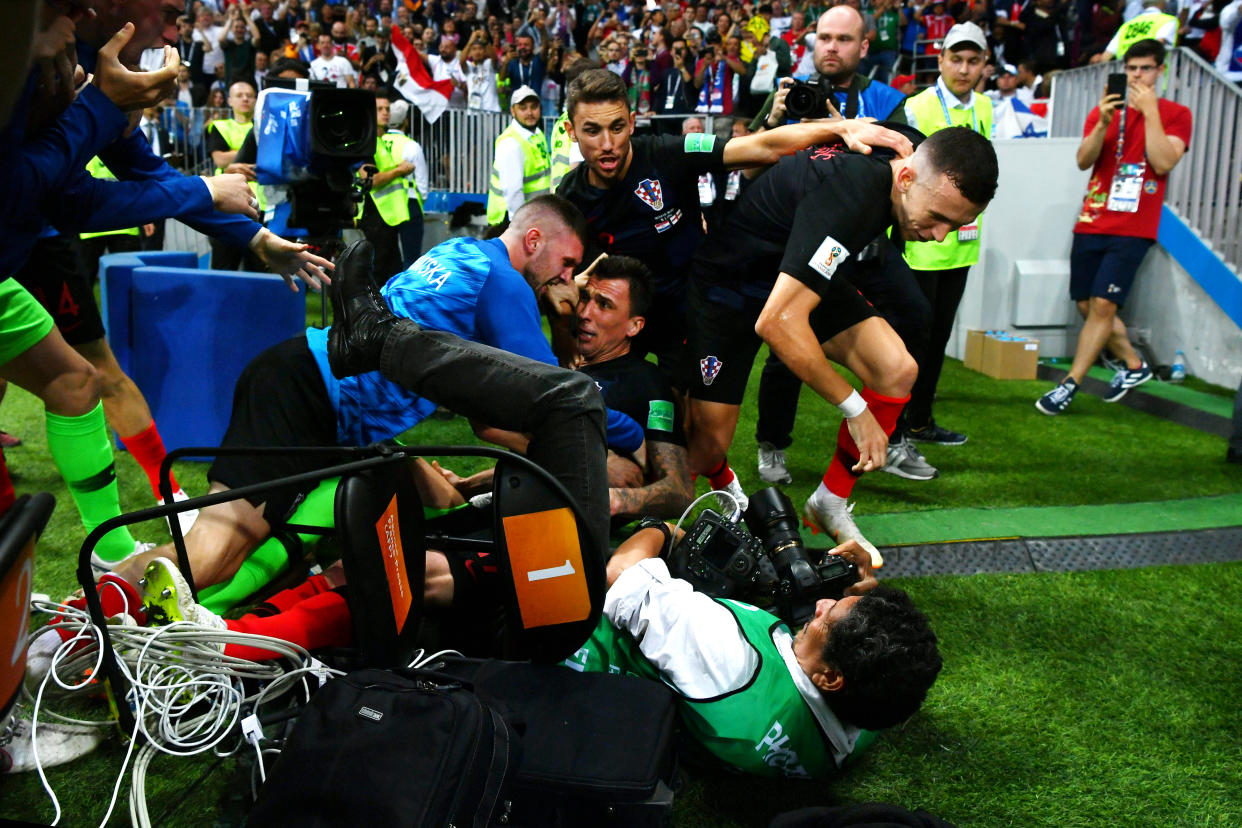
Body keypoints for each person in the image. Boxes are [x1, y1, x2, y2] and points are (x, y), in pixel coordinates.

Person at [138, 522, 939, 780]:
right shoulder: (859, 716)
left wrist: (667, 530)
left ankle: (229, 643)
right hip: (638, 695)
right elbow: (869, 645)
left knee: (435, 571)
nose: (827, 603)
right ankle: (268, 615)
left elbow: (626, 581)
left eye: (828, 617)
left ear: (829, 671)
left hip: (567, 639)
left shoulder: (725, 654)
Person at [106, 198, 619, 595]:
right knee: (216, 551)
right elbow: (555, 398)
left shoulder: (459, 252)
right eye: (568, 262)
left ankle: (120, 608)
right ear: (534, 239)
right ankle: (79, 623)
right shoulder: (504, 283)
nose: (568, 278)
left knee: (434, 497)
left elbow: (488, 421)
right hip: (310, 392)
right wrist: (624, 438)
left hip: (313, 387)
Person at [556, 69, 913, 509]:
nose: (607, 143)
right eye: (592, 131)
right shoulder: (569, 198)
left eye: (616, 127)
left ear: (633, 121)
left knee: (694, 439)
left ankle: (697, 492)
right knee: (631, 428)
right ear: (571, 130)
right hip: (629, 325)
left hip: (696, 308)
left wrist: (839, 126)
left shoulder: (668, 152)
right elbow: (560, 283)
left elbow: (760, 147)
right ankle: (631, 507)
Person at [684, 127, 998, 566]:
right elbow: (777, 322)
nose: (941, 235)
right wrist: (856, 409)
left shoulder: (895, 169)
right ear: (905, 178)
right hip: (731, 285)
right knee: (705, 448)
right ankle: (725, 486)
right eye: (937, 216)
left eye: (956, 225)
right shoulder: (854, 195)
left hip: (797, 271)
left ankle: (829, 502)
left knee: (897, 369)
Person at [748, 5, 911, 487]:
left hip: (864, 244)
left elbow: (904, 161)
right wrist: (778, 120)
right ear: (812, 43)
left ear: (863, 47)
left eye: (843, 39)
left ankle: (897, 433)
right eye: (823, 38)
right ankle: (772, 443)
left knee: (912, 321)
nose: (831, 47)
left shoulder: (884, 99)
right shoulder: (789, 92)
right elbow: (750, 166)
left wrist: (847, 129)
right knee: (785, 345)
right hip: (799, 244)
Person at [1036, 39, 1190, 415]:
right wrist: (1103, 122)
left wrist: (1151, 113)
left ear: (1160, 71)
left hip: (1135, 224)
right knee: (1088, 305)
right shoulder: (1105, 110)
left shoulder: (1175, 113)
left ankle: (1070, 384)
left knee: (1104, 303)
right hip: (1092, 219)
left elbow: (1164, 161)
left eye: (1146, 68)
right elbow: (1082, 160)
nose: (1137, 76)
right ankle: (1134, 366)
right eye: (1132, 68)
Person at [890, 22, 993, 476]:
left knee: (937, 341)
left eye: (973, 61)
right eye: (957, 59)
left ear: (984, 65)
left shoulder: (987, 107)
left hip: (961, 248)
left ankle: (920, 419)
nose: (964, 69)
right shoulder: (917, 106)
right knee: (910, 340)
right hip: (920, 247)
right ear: (942, 60)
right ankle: (894, 428)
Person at [574, 257, 694, 521]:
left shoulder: (647, 385)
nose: (585, 313)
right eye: (585, 298)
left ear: (634, 325)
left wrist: (612, 499)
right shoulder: (561, 362)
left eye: (604, 305)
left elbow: (680, 490)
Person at [205, 80, 266, 271]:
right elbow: (220, 159)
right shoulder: (220, 126)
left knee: (257, 267)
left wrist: (234, 153)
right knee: (224, 266)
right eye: (240, 95)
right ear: (229, 100)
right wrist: (258, 152)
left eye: (250, 95)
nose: (245, 99)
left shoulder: (265, 126)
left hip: (260, 205)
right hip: (226, 204)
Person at [358, 91, 417, 280]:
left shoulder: (381, 141)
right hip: (376, 216)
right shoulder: (366, 143)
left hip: (389, 218)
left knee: (392, 271)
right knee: (378, 271)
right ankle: (369, 309)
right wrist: (399, 170)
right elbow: (371, 180)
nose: (385, 113)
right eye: (379, 109)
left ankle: (386, 309)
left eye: (387, 109)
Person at [487, 85, 552, 226]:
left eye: (534, 107)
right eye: (523, 108)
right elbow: (513, 193)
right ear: (513, 111)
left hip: (532, 217)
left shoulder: (537, 134)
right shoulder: (510, 143)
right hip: (511, 221)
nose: (529, 112)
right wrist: (521, 226)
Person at [386, 100, 429, 268]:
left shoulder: (380, 143)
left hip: (386, 205)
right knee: (411, 257)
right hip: (409, 203)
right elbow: (422, 184)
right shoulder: (411, 146)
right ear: (406, 121)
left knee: (387, 256)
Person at [1090, 0, 1179, 62]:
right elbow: (1158, 44)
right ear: (1162, 2)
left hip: (1125, 78)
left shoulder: (1127, 25)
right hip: (1155, 82)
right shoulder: (1168, 20)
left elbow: (1105, 58)